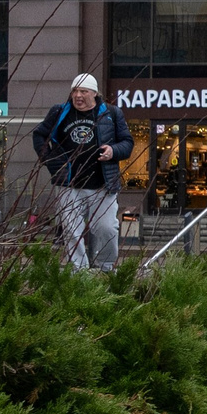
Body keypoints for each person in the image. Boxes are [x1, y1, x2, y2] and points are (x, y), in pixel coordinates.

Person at [32, 73, 133, 272]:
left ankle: (105, 268)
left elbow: (127, 143)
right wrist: (51, 162)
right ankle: (79, 272)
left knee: (107, 228)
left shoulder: (111, 113)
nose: (78, 96)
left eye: (83, 91)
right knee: (71, 231)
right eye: (74, 91)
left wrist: (113, 152)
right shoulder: (60, 112)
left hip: (102, 185)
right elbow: (39, 135)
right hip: (69, 185)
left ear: (94, 93)